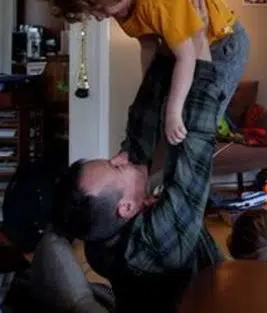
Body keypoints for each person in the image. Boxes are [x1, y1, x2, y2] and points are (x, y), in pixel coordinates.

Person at [51, 49, 225, 313]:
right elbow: (195, 151)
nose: (121, 157)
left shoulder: (98, 235)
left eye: (112, 160)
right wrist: (195, 56)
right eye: (117, 168)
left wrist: (167, 54)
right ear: (126, 208)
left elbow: (136, 141)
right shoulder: (155, 244)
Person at [37, 0, 250, 150]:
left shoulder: (156, 1)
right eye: (92, 12)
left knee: (201, 120)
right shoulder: (124, 8)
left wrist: (173, 113)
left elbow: (186, 56)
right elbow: (148, 45)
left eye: (99, 8)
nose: (99, 17)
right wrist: (148, 89)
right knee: (164, 110)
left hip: (224, 43)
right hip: (188, 49)